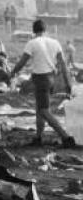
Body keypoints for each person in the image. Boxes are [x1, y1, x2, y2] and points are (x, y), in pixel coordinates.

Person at [10, 19, 75, 147]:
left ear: (33, 31)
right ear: (45, 30)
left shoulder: (32, 43)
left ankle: (66, 137)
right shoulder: (55, 42)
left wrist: (13, 72)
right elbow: (62, 64)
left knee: (44, 111)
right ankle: (38, 137)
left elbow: (23, 61)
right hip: (51, 78)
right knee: (40, 109)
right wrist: (68, 84)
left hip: (40, 79)